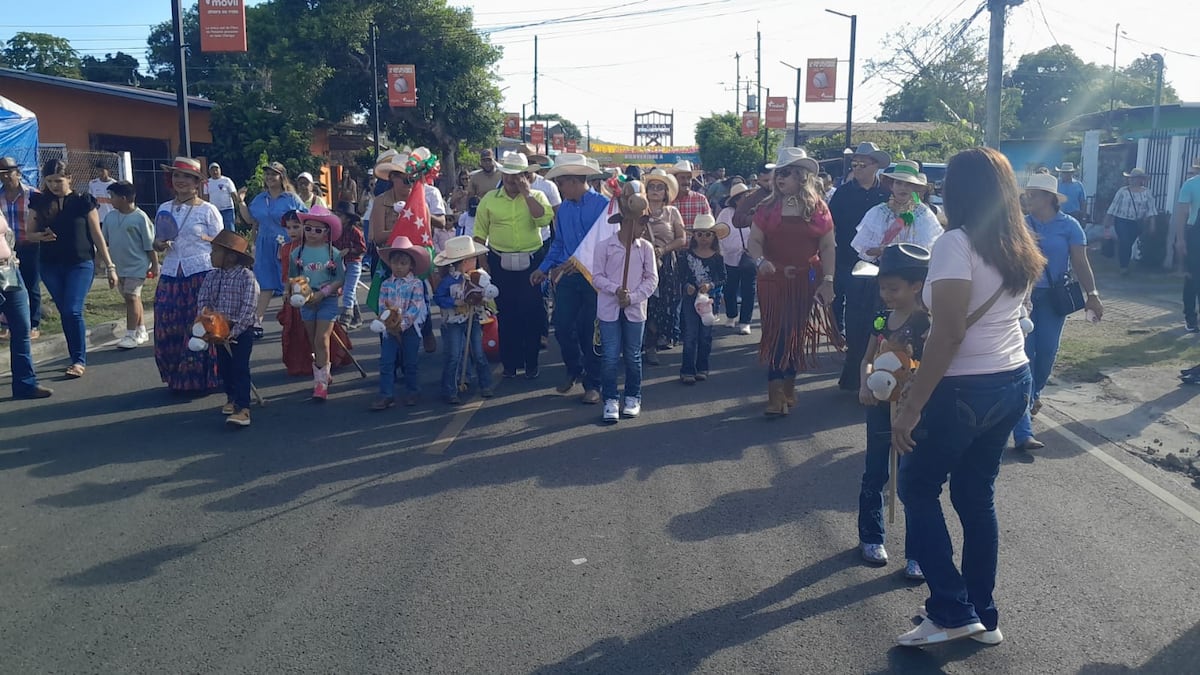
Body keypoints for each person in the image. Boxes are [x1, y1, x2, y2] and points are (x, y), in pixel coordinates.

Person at [891, 147, 1043, 647]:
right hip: (1012, 378)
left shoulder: (956, 243)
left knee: (917, 487)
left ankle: (951, 610)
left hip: (965, 386)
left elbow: (949, 332)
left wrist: (912, 406)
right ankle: (982, 612)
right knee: (976, 497)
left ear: (958, 190)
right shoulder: (1017, 241)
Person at [852, 243, 931, 579]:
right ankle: (870, 536)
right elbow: (867, 358)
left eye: (893, 288)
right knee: (875, 471)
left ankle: (918, 553)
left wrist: (915, 396)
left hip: (915, 411)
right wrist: (864, 384)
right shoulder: (882, 318)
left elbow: (930, 365)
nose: (886, 295)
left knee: (913, 479)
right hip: (880, 408)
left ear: (916, 286)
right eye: (882, 287)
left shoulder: (927, 322)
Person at [1012, 173, 1103, 451]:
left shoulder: (1070, 226)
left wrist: (1093, 295)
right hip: (1023, 298)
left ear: (1051, 198)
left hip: (1054, 298)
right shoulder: (1020, 225)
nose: (1029, 198)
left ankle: (1032, 394)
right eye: (1028, 194)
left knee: (1047, 353)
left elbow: (1080, 261)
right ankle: (1023, 429)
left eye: (1035, 194)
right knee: (1024, 356)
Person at [745, 148, 838, 416]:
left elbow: (828, 246)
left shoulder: (819, 208)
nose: (780, 178)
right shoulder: (765, 207)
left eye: (786, 173)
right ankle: (775, 394)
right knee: (777, 332)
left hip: (806, 279)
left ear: (801, 176)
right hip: (772, 279)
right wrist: (761, 261)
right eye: (778, 173)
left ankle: (788, 386)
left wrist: (828, 280)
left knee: (795, 332)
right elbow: (754, 241)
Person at [844, 161, 944, 391]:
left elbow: (932, 248)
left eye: (908, 184)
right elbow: (863, 249)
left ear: (916, 189)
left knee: (913, 331)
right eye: (899, 182)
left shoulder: (923, 214)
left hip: (911, 285)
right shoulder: (878, 213)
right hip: (885, 282)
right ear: (891, 185)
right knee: (879, 328)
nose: (903, 188)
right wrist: (883, 250)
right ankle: (870, 377)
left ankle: (909, 379)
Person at [28, 159, 119, 379]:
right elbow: (28, 234)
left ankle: (79, 359)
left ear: (69, 178)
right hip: (50, 265)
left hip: (80, 263)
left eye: (58, 180)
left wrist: (110, 266)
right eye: (49, 181)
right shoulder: (39, 202)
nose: (54, 185)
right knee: (65, 312)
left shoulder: (83, 201)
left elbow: (97, 234)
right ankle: (73, 355)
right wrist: (40, 236)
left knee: (73, 309)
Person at [531, 153, 609, 404]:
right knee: (563, 327)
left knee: (590, 331)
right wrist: (543, 267)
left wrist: (580, 263)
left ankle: (593, 384)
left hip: (595, 278)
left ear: (574, 181)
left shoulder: (604, 206)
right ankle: (574, 369)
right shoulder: (563, 210)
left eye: (562, 183)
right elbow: (560, 243)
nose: (560, 188)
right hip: (567, 276)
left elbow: (606, 244)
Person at [473, 152, 553, 379]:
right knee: (507, 315)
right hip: (500, 261)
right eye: (508, 174)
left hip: (531, 262)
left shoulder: (537, 195)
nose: (512, 179)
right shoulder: (489, 199)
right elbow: (479, 234)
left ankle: (531, 363)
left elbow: (543, 219)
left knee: (532, 313)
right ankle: (510, 364)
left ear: (527, 176)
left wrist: (527, 193)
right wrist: (483, 263)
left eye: (518, 175)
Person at [152, 157, 225, 393]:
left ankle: (204, 378)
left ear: (197, 182)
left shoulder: (208, 210)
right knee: (168, 325)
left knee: (200, 326)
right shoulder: (164, 208)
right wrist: (159, 245)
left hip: (201, 274)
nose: (180, 181)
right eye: (176, 176)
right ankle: (177, 377)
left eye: (186, 177)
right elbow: (157, 241)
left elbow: (221, 245)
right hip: (172, 273)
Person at [593, 182, 658, 423]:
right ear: (625, 221)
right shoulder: (603, 247)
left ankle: (633, 395)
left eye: (644, 222)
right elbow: (597, 276)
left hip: (635, 308)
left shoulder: (646, 249)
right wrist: (615, 289)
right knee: (610, 355)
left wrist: (631, 297)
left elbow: (651, 280)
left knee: (632, 355)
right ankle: (610, 399)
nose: (643, 228)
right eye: (640, 223)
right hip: (609, 308)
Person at [830, 142, 892, 389]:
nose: (857, 168)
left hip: (881, 266)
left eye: (862, 164)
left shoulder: (887, 194)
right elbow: (830, 226)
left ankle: (877, 367)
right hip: (847, 260)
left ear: (875, 166)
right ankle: (853, 371)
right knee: (852, 314)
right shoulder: (843, 193)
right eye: (854, 164)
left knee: (877, 317)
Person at [196, 231, 259, 427]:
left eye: (215, 251)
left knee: (240, 367)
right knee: (224, 366)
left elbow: (248, 308)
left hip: (240, 330)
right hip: (217, 329)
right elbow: (203, 302)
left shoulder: (246, 277)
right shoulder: (211, 276)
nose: (211, 255)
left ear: (231, 257)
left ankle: (244, 408)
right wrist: (209, 324)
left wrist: (233, 331)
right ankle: (231, 397)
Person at [238, 161, 306, 337]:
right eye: (267, 174)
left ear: (281, 176)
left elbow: (304, 219)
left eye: (273, 174)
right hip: (265, 244)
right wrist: (241, 202)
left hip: (287, 244)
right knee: (264, 283)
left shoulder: (291, 198)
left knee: (291, 283)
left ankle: (297, 321)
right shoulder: (260, 198)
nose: (269, 177)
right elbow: (250, 219)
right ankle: (257, 322)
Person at [433, 235, 495, 405]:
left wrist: (482, 299)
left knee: (478, 352)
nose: (475, 261)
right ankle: (449, 390)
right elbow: (438, 298)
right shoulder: (448, 281)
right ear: (462, 262)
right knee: (454, 355)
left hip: (472, 318)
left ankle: (486, 384)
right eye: (472, 259)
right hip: (453, 321)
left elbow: (486, 294)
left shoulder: (477, 277)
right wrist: (454, 302)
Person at [292, 208, 346, 400]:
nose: (312, 233)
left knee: (322, 339)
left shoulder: (334, 254)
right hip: (306, 302)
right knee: (313, 340)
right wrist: (297, 292)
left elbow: (340, 279)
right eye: (308, 228)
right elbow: (292, 278)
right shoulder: (296, 253)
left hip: (327, 300)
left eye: (318, 230)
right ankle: (324, 372)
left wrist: (323, 294)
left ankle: (320, 384)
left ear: (327, 232)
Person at [372, 235, 431, 409]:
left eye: (403, 263)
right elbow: (382, 305)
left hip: (409, 328)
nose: (398, 267)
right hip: (390, 329)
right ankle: (386, 394)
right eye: (395, 263)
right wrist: (388, 324)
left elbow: (415, 307)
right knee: (386, 361)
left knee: (410, 361)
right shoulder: (386, 285)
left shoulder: (416, 284)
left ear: (411, 265)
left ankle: (413, 391)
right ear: (390, 264)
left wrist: (402, 325)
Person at [0, 209, 51, 399]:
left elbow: (6, 233)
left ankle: (25, 384)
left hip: (8, 271)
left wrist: (11, 255)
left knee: (22, 327)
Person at [101, 180, 158, 349]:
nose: (110, 200)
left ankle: (130, 334)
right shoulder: (110, 217)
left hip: (137, 266)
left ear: (124, 198)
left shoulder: (140, 217)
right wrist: (100, 262)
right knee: (131, 298)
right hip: (119, 267)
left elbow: (150, 244)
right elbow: (104, 242)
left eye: (112, 197)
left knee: (132, 297)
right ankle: (141, 329)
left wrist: (155, 265)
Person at [641, 169, 686, 364]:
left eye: (660, 187)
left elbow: (682, 238)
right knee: (646, 305)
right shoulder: (639, 210)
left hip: (667, 263)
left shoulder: (672, 212)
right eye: (652, 187)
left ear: (666, 192)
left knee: (664, 306)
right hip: (642, 263)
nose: (656, 191)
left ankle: (657, 339)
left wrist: (663, 249)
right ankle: (646, 346)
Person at [678, 214, 727, 384]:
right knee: (690, 334)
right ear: (694, 236)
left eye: (707, 234)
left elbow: (723, 277)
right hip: (690, 299)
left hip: (709, 300)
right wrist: (687, 286)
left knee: (705, 335)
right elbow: (680, 276)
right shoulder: (685, 255)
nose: (704, 238)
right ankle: (687, 369)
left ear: (714, 236)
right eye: (700, 234)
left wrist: (711, 285)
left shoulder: (717, 257)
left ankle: (702, 367)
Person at [0, 157, 42, 340]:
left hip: (29, 245)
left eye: (10, 172)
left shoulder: (32, 194)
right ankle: (6, 324)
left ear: (18, 173)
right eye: (2, 174)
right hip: (8, 251)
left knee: (32, 285)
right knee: (9, 286)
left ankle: (34, 324)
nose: (6, 177)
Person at [717, 183, 757, 335]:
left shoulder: (755, 212)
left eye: (747, 197)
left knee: (749, 290)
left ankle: (745, 321)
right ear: (735, 200)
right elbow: (718, 232)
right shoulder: (726, 213)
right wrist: (721, 252)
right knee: (730, 289)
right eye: (742, 198)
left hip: (749, 256)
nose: (746, 200)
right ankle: (731, 315)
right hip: (729, 257)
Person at [1103, 167, 1158, 275]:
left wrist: (1152, 224)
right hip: (1122, 220)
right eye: (1131, 178)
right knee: (1125, 241)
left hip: (1136, 222)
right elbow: (1114, 206)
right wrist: (1107, 220)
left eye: (1135, 178)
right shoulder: (1123, 191)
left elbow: (1151, 209)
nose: (1132, 180)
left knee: (1128, 243)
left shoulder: (1147, 193)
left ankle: (1125, 262)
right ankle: (1123, 266)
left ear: (1141, 179)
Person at [1174, 164, 1200, 333]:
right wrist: (1181, 239)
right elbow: (1182, 213)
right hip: (1195, 232)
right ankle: (1190, 317)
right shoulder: (1191, 184)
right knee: (1193, 276)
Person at [333, 201, 367, 328]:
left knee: (348, 290)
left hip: (353, 263)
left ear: (347, 218)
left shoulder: (355, 231)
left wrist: (349, 250)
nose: (337, 217)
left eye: (340, 215)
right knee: (349, 289)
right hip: (341, 263)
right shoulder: (336, 231)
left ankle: (346, 315)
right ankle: (357, 317)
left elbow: (363, 249)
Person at [203, 162, 239, 232]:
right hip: (214, 211)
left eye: (216, 169)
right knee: (217, 231)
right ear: (209, 172)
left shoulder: (227, 180)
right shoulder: (207, 183)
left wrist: (238, 210)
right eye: (212, 170)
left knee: (230, 230)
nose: (215, 172)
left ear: (220, 170)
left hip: (227, 209)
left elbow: (234, 195)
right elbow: (206, 198)